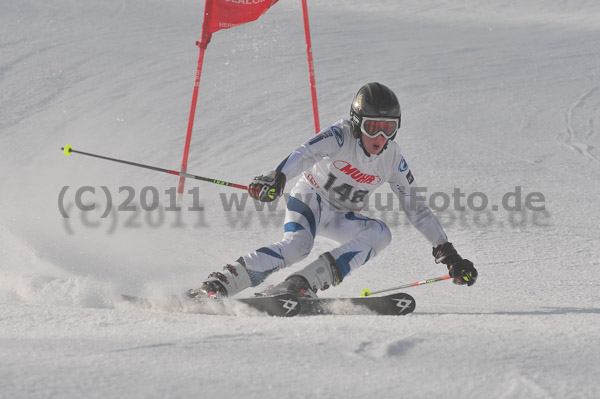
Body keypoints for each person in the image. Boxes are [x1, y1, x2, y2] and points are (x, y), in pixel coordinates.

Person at [187, 82, 477, 299]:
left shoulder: (393, 160)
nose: (379, 137)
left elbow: (417, 209)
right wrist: (277, 178)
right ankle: (220, 283)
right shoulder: (340, 135)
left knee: (380, 234)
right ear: (356, 122)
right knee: (297, 246)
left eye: (388, 129)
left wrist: (448, 254)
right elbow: (304, 154)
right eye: (372, 127)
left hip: (342, 216)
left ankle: (301, 284)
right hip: (311, 199)